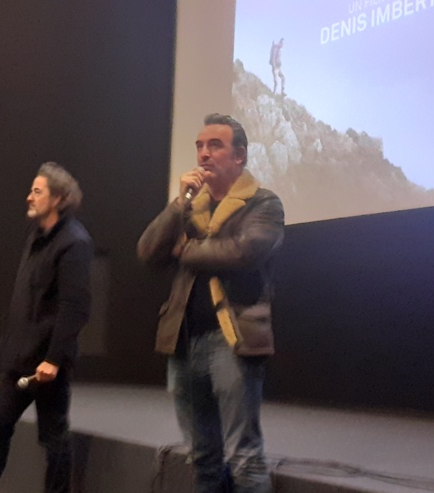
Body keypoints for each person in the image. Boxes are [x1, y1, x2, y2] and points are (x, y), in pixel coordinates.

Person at [137, 114, 284, 493]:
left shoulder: (263, 203)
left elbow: (242, 252)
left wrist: (186, 251)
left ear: (239, 155)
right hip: (185, 340)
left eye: (214, 145)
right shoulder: (189, 207)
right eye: (200, 146)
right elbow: (149, 252)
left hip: (231, 340)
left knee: (244, 455)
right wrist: (177, 205)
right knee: (202, 456)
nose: (203, 153)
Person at [0, 162, 93, 493]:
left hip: (47, 366)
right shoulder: (35, 238)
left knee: (54, 441)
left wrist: (53, 359)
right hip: (18, 360)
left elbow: (74, 308)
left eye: (37, 192)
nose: (29, 197)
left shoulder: (75, 243)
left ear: (58, 199)